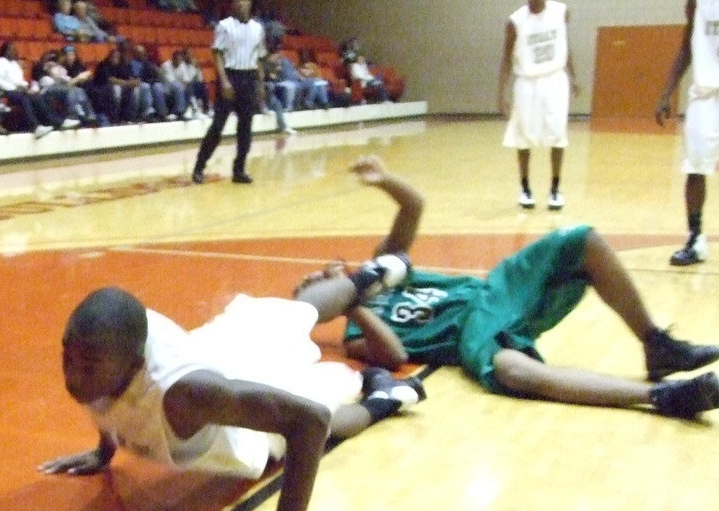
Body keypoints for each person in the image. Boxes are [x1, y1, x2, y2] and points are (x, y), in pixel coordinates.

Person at [39, 286, 426, 511]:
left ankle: (384, 396)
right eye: (66, 357)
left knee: (320, 411)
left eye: (86, 366)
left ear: (135, 362)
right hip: (214, 354)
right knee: (280, 316)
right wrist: (104, 450)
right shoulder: (104, 343)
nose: (72, 375)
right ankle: (357, 287)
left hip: (232, 421)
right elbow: (107, 397)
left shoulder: (185, 394)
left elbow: (308, 422)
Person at [298, 156, 719, 419]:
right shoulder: (356, 331)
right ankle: (662, 396)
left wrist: (384, 179)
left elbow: (414, 205)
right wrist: (354, 304)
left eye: (318, 274)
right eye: (315, 285)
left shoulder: (384, 262)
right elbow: (394, 354)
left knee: (581, 239)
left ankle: (656, 343)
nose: (321, 276)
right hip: (475, 335)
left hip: (497, 291)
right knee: (511, 371)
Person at [497, 0, 578, 211]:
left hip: (555, 79)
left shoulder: (561, 11)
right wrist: (500, 93)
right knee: (523, 137)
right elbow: (506, 58)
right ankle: (525, 188)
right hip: (527, 82)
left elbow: (566, 45)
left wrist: (574, 77)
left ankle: (555, 189)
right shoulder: (515, 21)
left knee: (557, 134)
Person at [656, 0, 718, 266]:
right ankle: (695, 238)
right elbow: (686, 49)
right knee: (695, 168)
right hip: (705, 95)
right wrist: (666, 93)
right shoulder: (697, 3)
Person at [192, 0, 265, 185]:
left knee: (245, 127)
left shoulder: (258, 28)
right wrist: (224, 81)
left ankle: (239, 169)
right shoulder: (224, 26)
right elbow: (217, 53)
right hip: (230, 76)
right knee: (218, 126)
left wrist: (260, 84)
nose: (241, 4)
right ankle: (199, 166)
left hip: (249, 77)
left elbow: (260, 58)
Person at [0, 41, 71, 136]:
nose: (12, 52)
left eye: (14, 49)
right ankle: (34, 126)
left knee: (36, 96)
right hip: (6, 91)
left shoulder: (15, 64)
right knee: (25, 98)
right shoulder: (0, 62)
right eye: (10, 50)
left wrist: (26, 86)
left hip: (19, 90)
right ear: (4, 51)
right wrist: (15, 88)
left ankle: (54, 122)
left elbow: (20, 80)